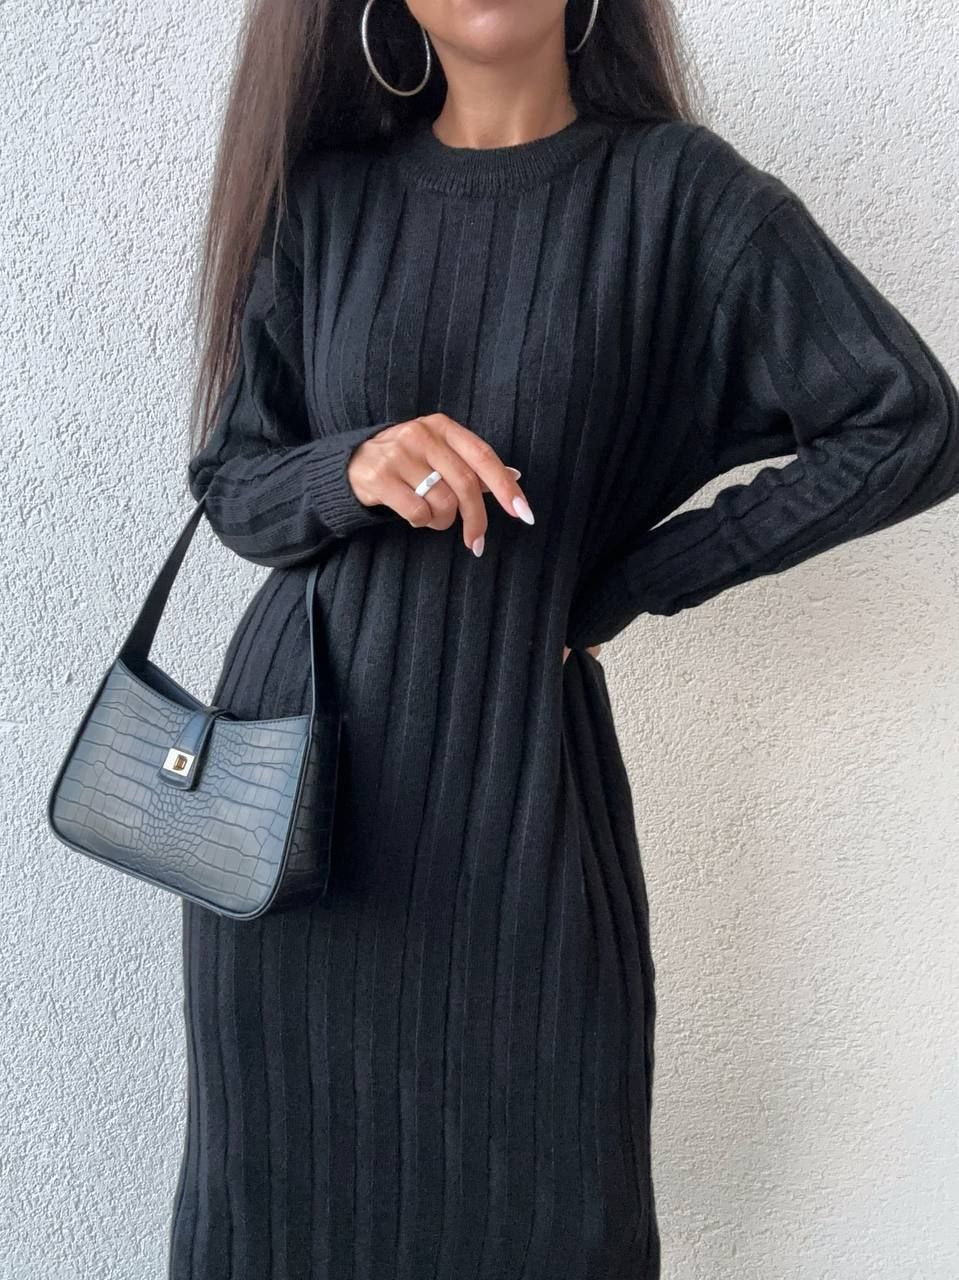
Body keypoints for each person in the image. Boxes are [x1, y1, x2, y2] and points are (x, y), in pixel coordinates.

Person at [168, 2, 959, 1277]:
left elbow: (907, 423)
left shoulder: (682, 197)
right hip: (295, 826)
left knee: (542, 1210)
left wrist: (625, 581)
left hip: (517, 816)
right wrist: (352, 466)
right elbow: (232, 483)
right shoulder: (323, 201)